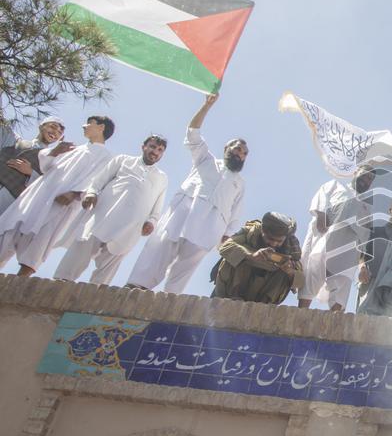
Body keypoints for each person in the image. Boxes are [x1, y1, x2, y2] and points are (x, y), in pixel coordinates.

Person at [126, 94, 248, 293]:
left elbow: (235, 212)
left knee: (185, 268)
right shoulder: (206, 160)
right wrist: (206, 106)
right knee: (158, 252)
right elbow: (192, 133)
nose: (240, 154)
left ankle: (169, 299)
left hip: (209, 228)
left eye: (243, 153)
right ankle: (136, 287)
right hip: (181, 216)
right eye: (237, 149)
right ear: (227, 148)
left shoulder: (239, 184)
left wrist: (227, 236)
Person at [0, 116, 114, 276]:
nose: (84, 125)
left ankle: (15, 285)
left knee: (39, 244)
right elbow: (46, 166)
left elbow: (98, 180)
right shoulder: (74, 148)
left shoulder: (106, 157)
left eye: (89, 123)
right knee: (10, 232)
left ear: (101, 127)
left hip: (60, 204)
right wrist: (55, 151)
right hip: (39, 195)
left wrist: (74, 193)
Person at [53, 135, 168, 284]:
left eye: (160, 150)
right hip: (104, 216)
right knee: (80, 251)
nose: (155, 152)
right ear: (143, 147)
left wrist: (152, 221)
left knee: (107, 270)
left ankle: (92, 302)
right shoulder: (123, 160)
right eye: (152, 147)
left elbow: (158, 204)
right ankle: (60, 283)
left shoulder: (161, 177)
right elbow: (98, 181)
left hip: (130, 227)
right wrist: (92, 193)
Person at [298, 165, 374, 311]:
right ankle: (300, 314)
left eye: (370, 178)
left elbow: (365, 240)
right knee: (313, 277)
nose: (367, 179)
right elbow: (321, 200)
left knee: (341, 290)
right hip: (327, 239)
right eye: (365, 175)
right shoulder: (335, 186)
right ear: (356, 172)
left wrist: (362, 265)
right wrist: (321, 215)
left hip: (349, 251)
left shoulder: (367, 208)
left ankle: (333, 325)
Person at [210, 212, 303, 303]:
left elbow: (300, 283)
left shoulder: (291, 249)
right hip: (231, 291)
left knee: (285, 274)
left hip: (262, 296)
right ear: (262, 230)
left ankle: (264, 305)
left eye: (279, 241)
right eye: (270, 239)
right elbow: (225, 246)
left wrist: (290, 272)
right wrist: (251, 255)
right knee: (236, 255)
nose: (274, 244)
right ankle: (235, 295)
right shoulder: (250, 232)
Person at [0, 116, 65, 214]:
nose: (56, 132)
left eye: (60, 132)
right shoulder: (17, 142)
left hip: (9, 200)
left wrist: (30, 172)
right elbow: (4, 126)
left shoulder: (50, 162)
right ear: (41, 127)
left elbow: (48, 186)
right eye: (53, 127)